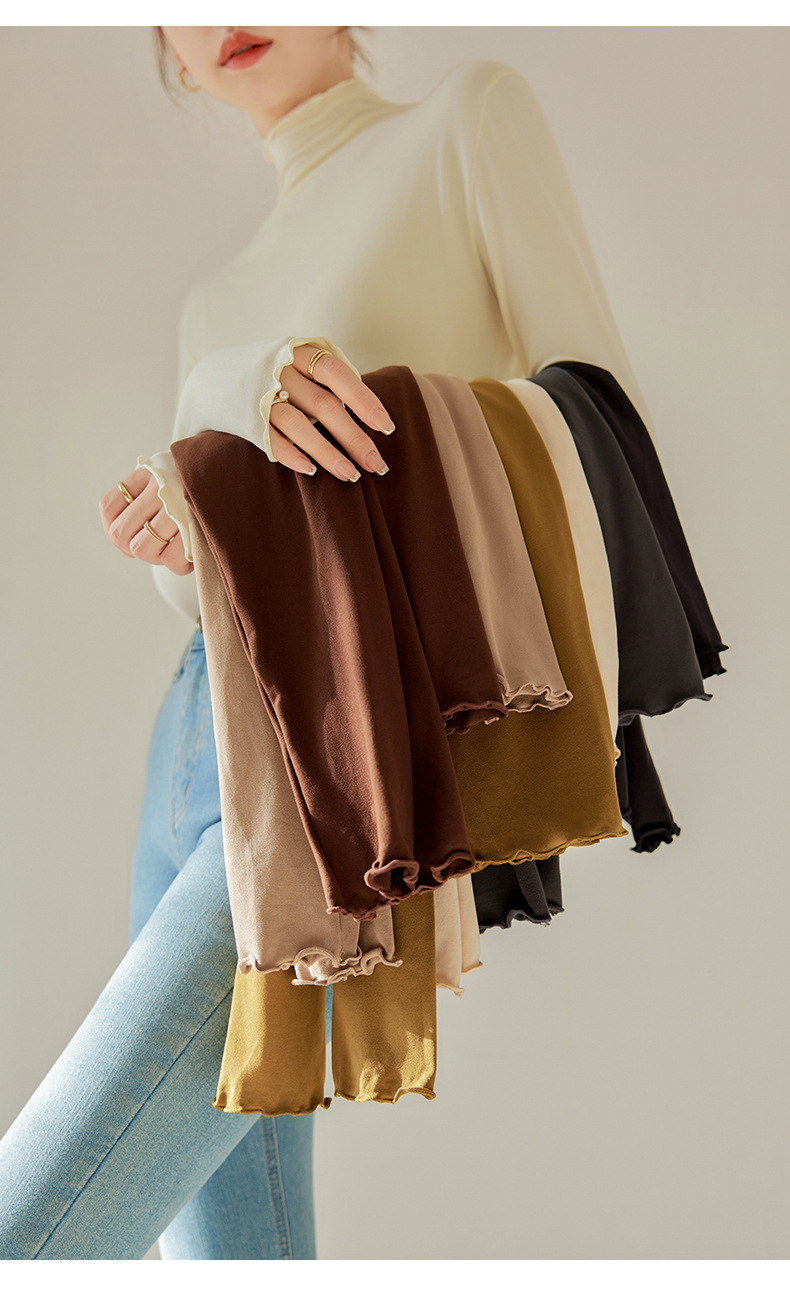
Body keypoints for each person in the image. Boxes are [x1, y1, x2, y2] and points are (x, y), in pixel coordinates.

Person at [0, 26, 646, 1260]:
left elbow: (601, 430)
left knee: (41, 1221)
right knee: (226, 1264)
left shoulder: (464, 122)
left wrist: (251, 399)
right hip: (192, 747)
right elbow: (210, 598)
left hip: (331, 753)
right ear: (169, 50)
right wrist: (187, 514)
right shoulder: (211, 302)